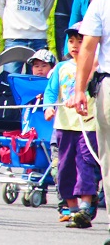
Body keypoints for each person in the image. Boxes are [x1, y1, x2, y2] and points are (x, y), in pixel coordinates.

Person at [45, 23, 99, 229]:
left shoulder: (95, 67)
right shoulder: (61, 67)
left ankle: (86, 206)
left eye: (80, 41)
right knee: (65, 166)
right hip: (64, 125)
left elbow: (95, 90)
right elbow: (51, 91)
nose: (75, 45)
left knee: (85, 164)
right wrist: (49, 108)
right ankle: (72, 208)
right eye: (71, 41)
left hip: (87, 125)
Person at [73, 0, 110, 245]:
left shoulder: (103, 2)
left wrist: (79, 89)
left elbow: (88, 48)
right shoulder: (102, 2)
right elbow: (87, 47)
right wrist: (80, 88)